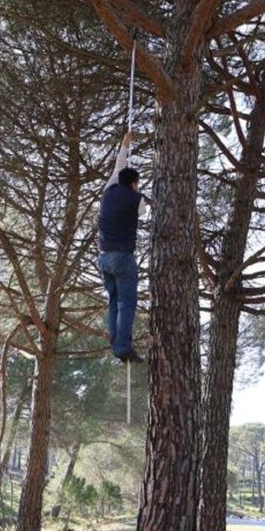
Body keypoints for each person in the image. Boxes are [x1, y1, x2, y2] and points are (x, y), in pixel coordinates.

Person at [98, 131, 148, 363]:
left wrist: (125, 145)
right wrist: (137, 195)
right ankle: (123, 346)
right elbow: (143, 212)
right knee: (126, 302)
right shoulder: (137, 200)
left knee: (114, 302)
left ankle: (116, 342)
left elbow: (119, 167)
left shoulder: (108, 190)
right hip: (122, 257)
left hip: (104, 258)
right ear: (134, 183)